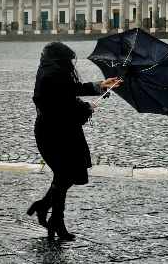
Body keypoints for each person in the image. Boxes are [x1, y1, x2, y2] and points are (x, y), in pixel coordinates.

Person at [27, 42, 121, 241]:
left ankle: (45, 208)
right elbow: (63, 106)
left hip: (57, 130)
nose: (71, 63)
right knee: (64, 176)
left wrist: (101, 85)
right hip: (56, 133)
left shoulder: (50, 71)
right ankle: (55, 220)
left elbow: (70, 91)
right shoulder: (53, 75)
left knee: (64, 177)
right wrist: (86, 109)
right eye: (68, 60)